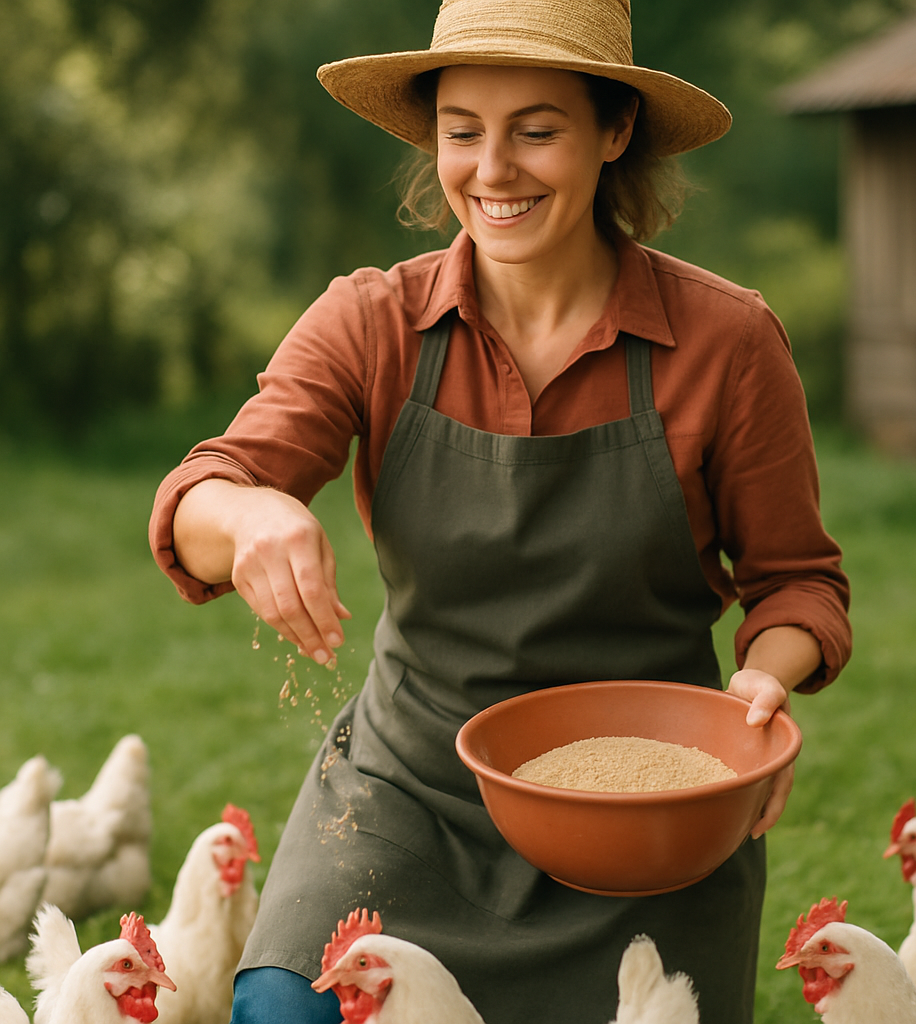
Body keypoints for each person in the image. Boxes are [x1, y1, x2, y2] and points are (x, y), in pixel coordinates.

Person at [149, 1, 852, 1021]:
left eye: (536, 129)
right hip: (410, 792)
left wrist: (760, 679)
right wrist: (251, 517)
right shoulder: (373, 322)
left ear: (615, 134)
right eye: (462, 131)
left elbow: (799, 582)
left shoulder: (725, 340)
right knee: (282, 1008)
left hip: (646, 812)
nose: (492, 170)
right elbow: (197, 500)